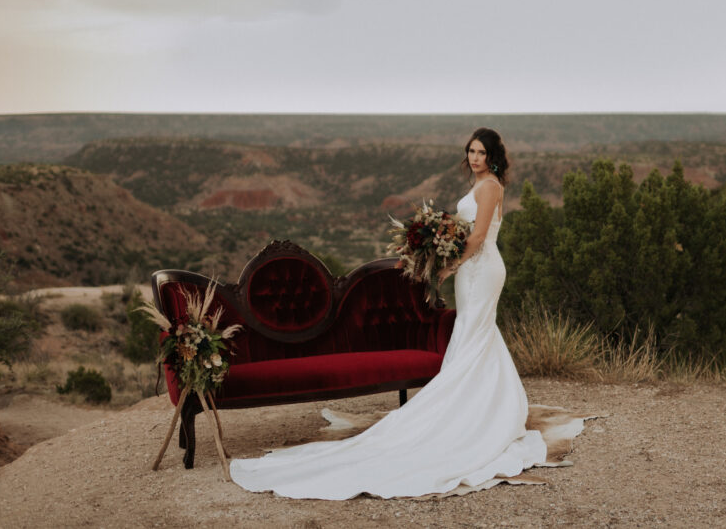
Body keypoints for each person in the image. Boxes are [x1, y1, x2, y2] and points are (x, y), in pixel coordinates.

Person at [229, 127, 547, 499]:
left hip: (483, 269)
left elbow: (477, 237)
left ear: (492, 156)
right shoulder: (479, 184)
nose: (475, 158)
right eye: (471, 151)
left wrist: (448, 267)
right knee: (473, 334)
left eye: (481, 152)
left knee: (477, 333)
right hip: (470, 270)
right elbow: (464, 234)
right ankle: (479, 406)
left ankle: (479, 412)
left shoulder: (490, 186)